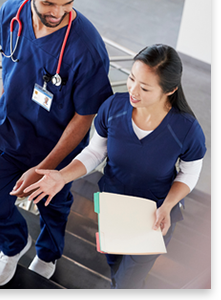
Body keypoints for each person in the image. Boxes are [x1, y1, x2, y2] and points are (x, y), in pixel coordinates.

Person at [0, 0, 113, 286]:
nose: (59, 13)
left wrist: (46, 167)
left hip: (56, 149)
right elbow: (9, 58)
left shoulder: (86, 48)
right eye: (50, 3)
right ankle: (15, 244)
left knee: (54, 207)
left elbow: (84, 116)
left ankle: (48, 253)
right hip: (8, 134)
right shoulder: (12, 13)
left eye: (68, 3)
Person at [24, 44, 206, 289]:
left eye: (145, 87)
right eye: (132, 79)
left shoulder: (186, 130)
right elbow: (95, 151)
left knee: (128, 280)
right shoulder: (113, 108)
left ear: (170, 90)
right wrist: (62, 176)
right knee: (114, 263)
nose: (133, 90)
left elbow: (189, 172)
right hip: (113, 206)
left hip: (154, 215)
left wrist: (168, 205)